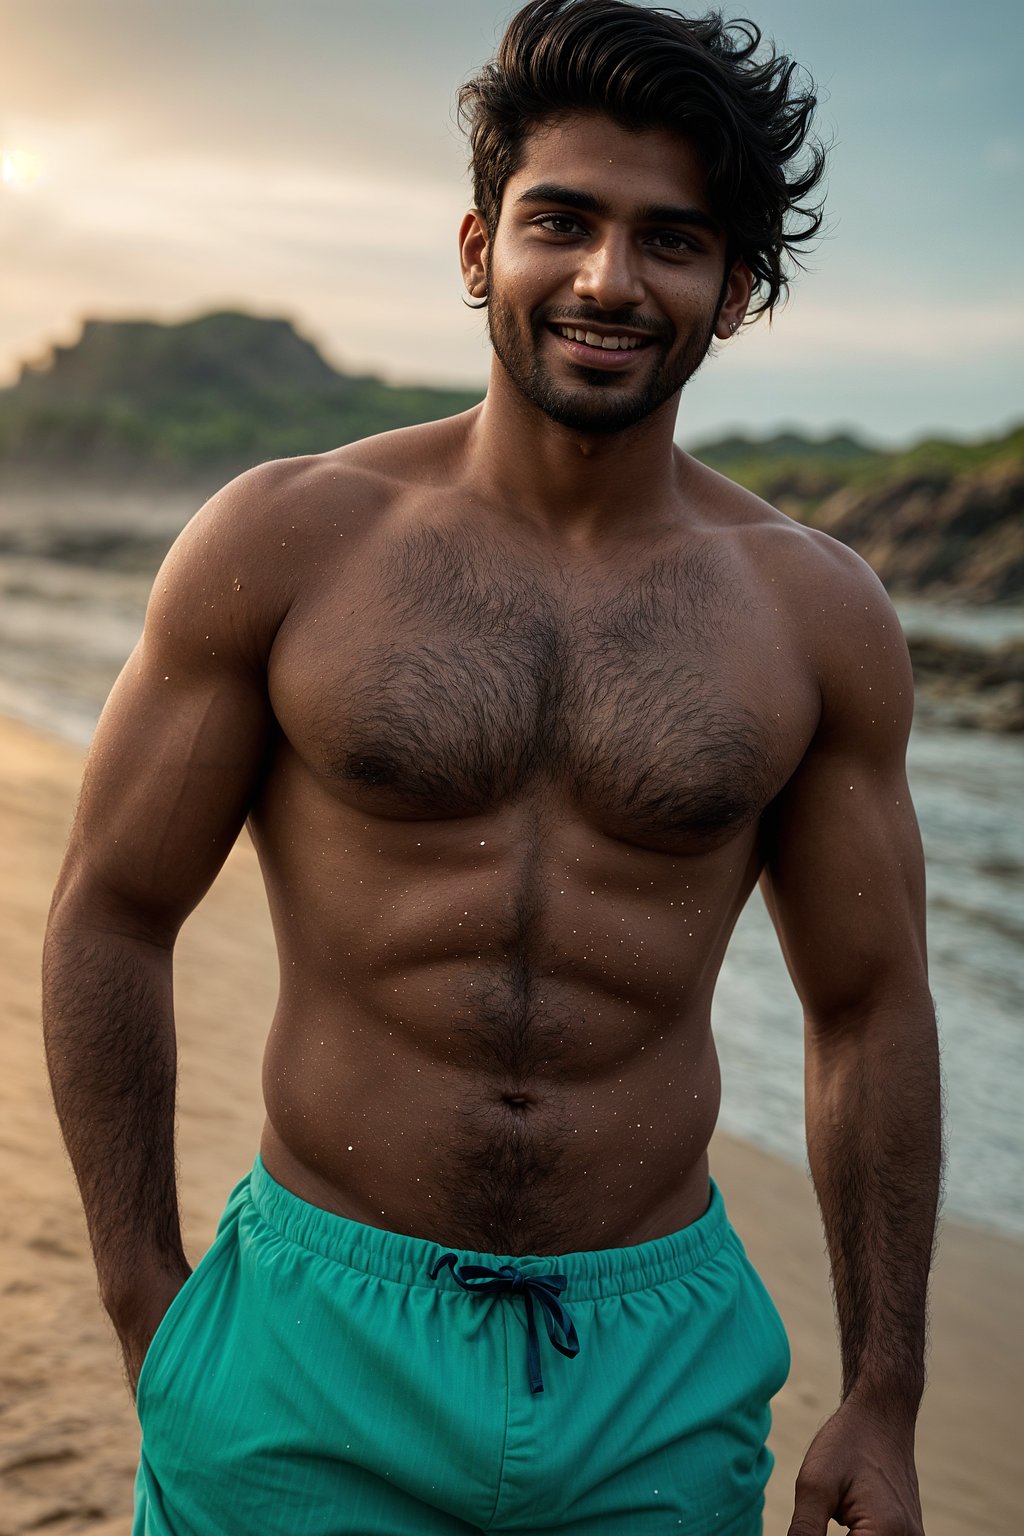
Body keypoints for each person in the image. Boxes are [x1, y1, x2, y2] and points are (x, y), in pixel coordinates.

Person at [42, 2, 941, 1532]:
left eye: (672, 239)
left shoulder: (812, 613)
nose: (609, 278)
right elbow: (110, 910)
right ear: (477, 250)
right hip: (311, 1335)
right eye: (562, 222)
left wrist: (886, 1393)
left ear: (733, 290)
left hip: (654, 1364)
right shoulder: (289, 541)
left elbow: (866, 1009)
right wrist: (148, 1296)